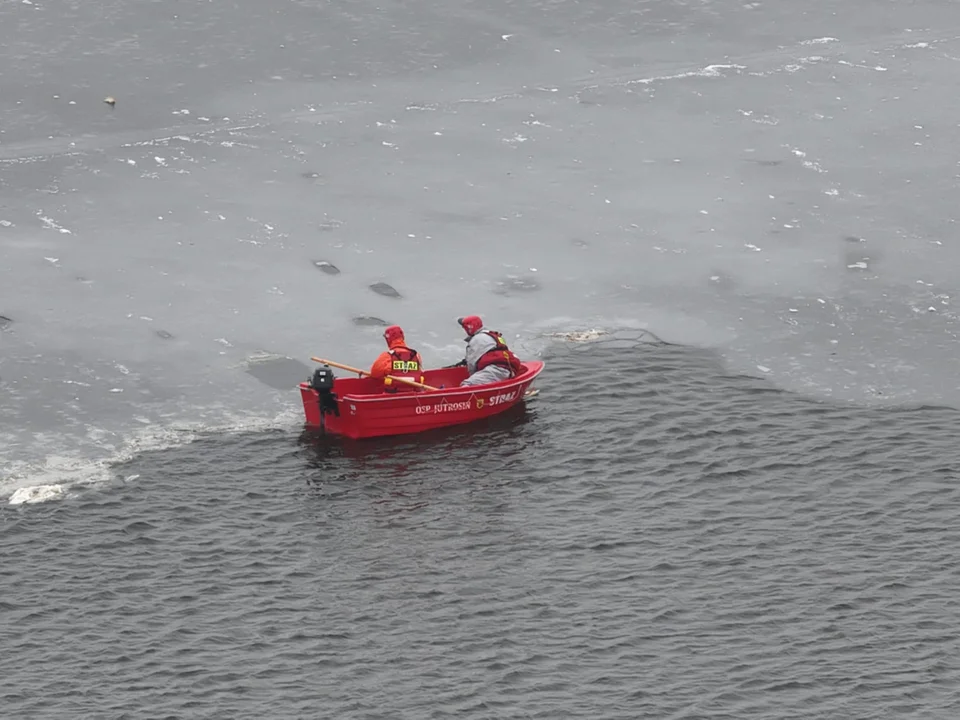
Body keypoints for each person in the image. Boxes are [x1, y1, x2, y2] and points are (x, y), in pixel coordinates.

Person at [454, 315, 524, 387]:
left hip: (496, 370)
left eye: (464, 327)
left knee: (467, 384)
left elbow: (472, 364)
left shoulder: (476, 340)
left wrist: (474, 377)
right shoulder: (492, 335)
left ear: (469, 328)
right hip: (510, 368)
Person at [369, 325, 424, 392]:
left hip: (392, 393)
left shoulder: (387, 356)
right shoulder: (416, 355)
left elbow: (374, 373)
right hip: (413, 392)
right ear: (403, 337)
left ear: (388, 339)